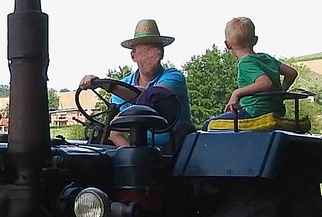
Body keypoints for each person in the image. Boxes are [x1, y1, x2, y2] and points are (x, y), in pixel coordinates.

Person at [79, 19, 192, 148]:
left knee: (185, 131)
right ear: (133, 56)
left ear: (162, 53)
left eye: (155, 49)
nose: (153, 54)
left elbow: (154, 97)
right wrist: (133, 156)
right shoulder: (123, 85)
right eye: (145, 50)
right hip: (139, 148)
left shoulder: (173, 77)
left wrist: (107, 85)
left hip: (175, 150)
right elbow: (116, 133)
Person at [209, 16, 299, 123]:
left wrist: (237, 93)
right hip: (277, 111)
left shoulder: (245, 63)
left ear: (227, 44)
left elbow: (265, 83)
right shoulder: (266, 58)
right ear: (255, 40)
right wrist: (280, 93)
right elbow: (292, 73)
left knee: (209, 124)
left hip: (254, 112)